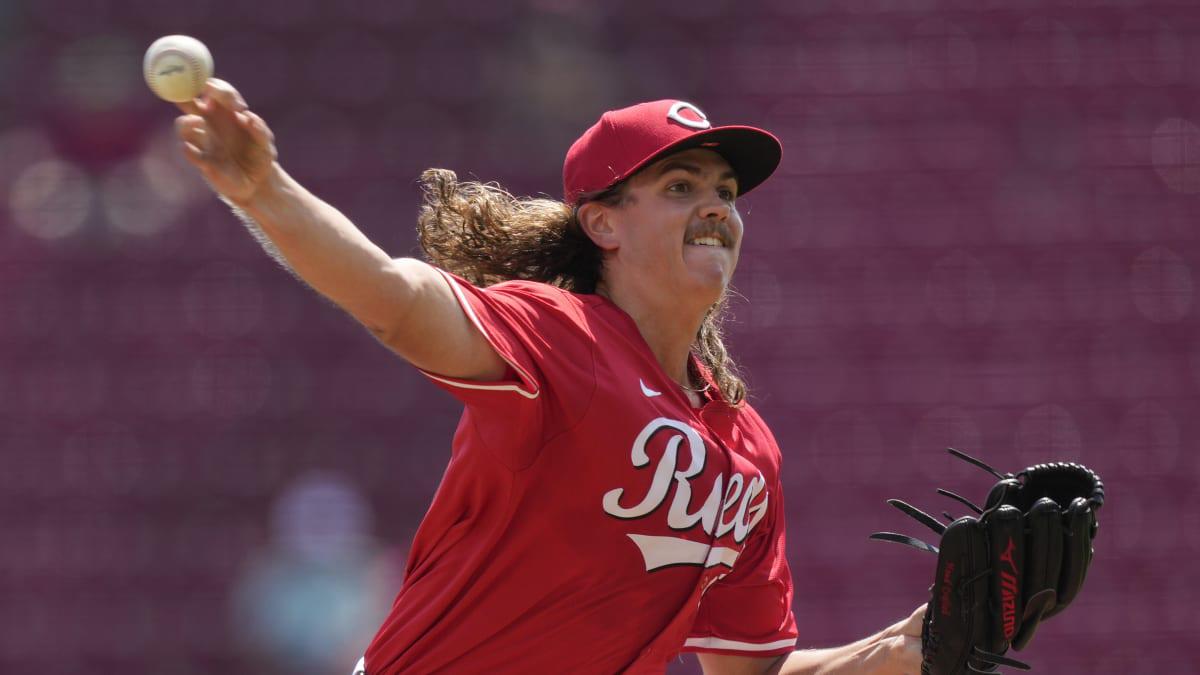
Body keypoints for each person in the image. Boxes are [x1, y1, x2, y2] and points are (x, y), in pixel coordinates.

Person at [174, 80, 924, 674]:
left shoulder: (746, 448)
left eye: (725, 192)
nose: (716, 208)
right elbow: (394, 299)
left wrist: (895, 653)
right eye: (680, 186)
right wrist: (261, 190)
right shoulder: (558, 338)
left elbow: (746, 673)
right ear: (603, 224)